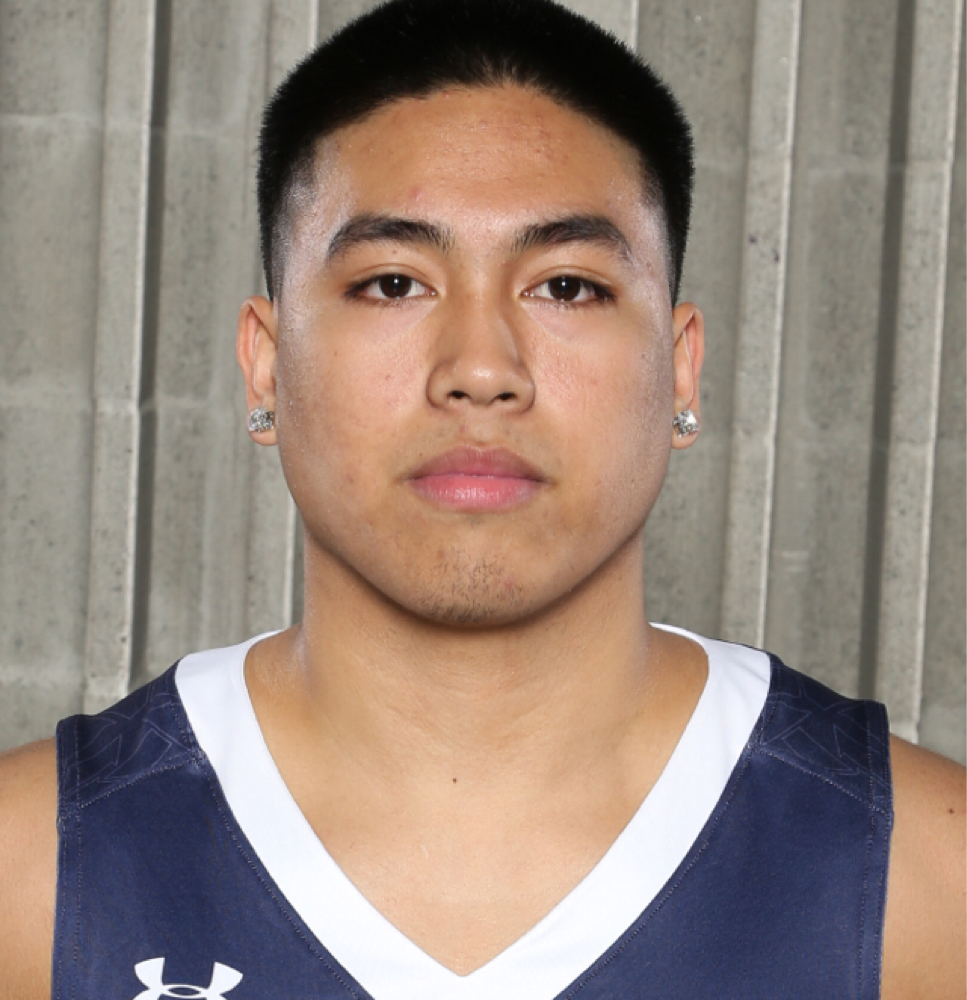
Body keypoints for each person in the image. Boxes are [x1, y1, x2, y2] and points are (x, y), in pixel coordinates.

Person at [1, 0, 963, 996]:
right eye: (392, 283)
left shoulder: (922, 882)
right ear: (265, 363)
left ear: (679, 368)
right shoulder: (34, 873)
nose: (479, 369)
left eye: (566, 286)